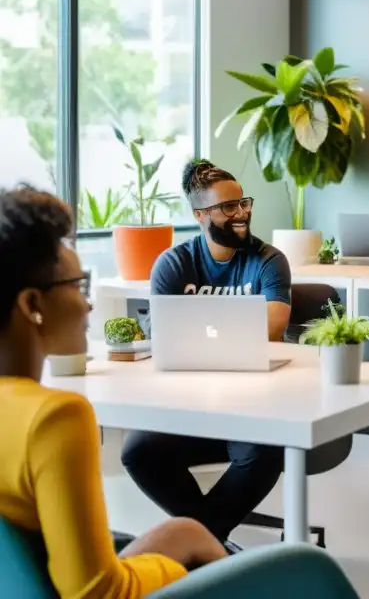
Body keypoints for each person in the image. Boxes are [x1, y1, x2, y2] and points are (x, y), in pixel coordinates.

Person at [0, 185, 227, 598]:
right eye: (78, 286)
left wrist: (182, 540)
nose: (89, 306)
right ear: (32, 304)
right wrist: (175, 567)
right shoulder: (53, 417)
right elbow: (96, 593)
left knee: (185, 530)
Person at [121, 160, 291, 546]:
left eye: (243, 203)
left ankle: (201, 543)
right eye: (228, 207)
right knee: (137, 452)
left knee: (264, 453)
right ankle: (212, 545)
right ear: (200, 215)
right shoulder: (173, 263)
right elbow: (165, 336)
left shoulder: (269, 260)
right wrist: (239, 324)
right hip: (191, 406)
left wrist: (198, 328)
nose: (242, 213)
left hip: (255, 404)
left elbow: (274, 325)